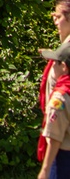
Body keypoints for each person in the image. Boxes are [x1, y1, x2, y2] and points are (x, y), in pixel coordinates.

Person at [39, 38, 70, 179]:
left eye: (55, 63)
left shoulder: (60, 97)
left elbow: (55, 137)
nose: (52, 67)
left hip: (62, 159)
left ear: (64, 67)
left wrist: (45, 170)